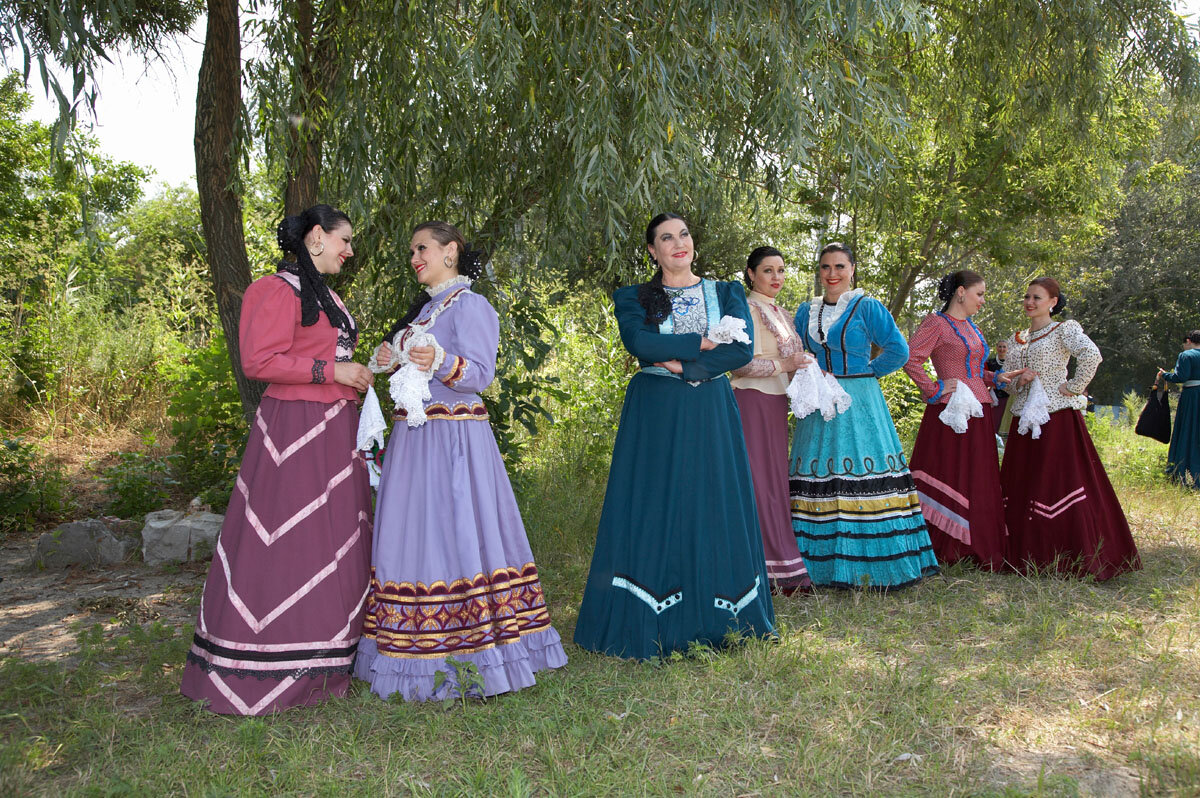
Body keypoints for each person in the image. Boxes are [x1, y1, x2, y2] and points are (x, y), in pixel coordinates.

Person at [354, 221, 566, 701]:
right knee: (417, 530)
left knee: (455, 528)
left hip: (452, 439)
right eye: (411, 250)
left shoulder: (471, 305)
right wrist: (391, 356)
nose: (414, 257)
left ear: (451, 251)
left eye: (422, 248)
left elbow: (481, 374)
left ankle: (470, 642)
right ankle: (411, 640)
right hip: (416, 438)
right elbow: (413, 364)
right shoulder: (426, 311)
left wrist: (441, 362)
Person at [180, 204, 375, 715]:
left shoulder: (325, 294)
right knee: (293, 541)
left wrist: (359, 371)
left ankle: (333, 656)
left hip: (334, 431)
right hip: (295, 434)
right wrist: (333, 372)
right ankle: (268, 665)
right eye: (344, 240)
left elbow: (327, 358)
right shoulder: (273, 289)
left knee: (331, 538)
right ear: (316, 238)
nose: (349, 250)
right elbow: (259, 361)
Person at [574, 213, 775, 659]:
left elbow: (740, 349)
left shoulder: (726, 292)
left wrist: (685, 364)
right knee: (655, 500)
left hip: (710, 410)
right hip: (656, 412)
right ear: (652, 251)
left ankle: (724, 617)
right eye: (666, 238)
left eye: (683, 234)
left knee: (713, 498)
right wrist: (700, 342)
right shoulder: (633, 297)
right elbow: (640, 345)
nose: (678, 243)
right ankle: (650, 616)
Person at [788, 243, 938, 590]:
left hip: (858, 400)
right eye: (825, 267)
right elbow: (799, 351)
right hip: (819, 402)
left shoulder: (866, 306)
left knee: (858, 466)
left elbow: (898, 351)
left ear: (852, 269)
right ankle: (816, 566)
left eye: (839, 266)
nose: (832, 274)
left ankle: (874, 566)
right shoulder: (804, 311)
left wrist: (864, 376)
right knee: (818, 469)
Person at [1000, 277, 1140, 580]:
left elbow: (1091, 356)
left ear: (1053, 302)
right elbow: (1008, 386)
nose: (1030, 302)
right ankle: (1026, 555)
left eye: (1037, 297)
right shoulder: (1017, 339)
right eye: (1027, 296)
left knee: (1058, 481)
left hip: (1057, 418)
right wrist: (1017, 381)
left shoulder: (1064, 330)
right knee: (1024, 481)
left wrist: (1073, 387)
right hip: (1024, 421)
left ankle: (1068, 556)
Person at [902, 271, 1010, 570]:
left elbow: (973, 371)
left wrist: (996, 377)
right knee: (952, 472)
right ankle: (946, 544)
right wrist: (933, 388)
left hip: (978, 409)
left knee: (976, 476)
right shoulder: (937, 323)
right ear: (961, 292)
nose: (983, 301)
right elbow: (909, 358)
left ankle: (974, 545)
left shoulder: (971, 327)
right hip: (950, 413)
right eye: (980, 294)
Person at [729, 246, 814, 594]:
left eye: (781, 270)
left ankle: (780, 564)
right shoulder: (745, 309)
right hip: (751, 398)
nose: (776, 277)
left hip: (776, 402)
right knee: (759, 481)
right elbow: (739, 363)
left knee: (774, 481)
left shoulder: (780, 311)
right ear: (751, 274)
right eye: (768, 271)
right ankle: (762, 566)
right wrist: (786, 365)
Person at [1159, 330, 1200, 488]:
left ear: (1188, 341)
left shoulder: (1187, 355)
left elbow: (1181, 377)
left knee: (1187, 432)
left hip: (1192, 397)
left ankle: (1181, 473)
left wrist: (1165, 375)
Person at [985, 339, 1011, 435]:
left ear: (1008, 348)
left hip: (1007, 395)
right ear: (996, 348)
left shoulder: (1011, 362)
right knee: (993, 420)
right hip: (993, 396)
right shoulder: (990, 362)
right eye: (1000, 346)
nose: (1002, 349)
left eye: (1004, 347)